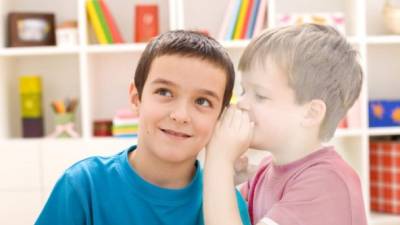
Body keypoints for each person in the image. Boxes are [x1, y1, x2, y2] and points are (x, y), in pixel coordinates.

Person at [35, 30, 251, 225]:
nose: (180, 115)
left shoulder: (226, 207)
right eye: (164, 92)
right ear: (136, 98)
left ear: (221, 116)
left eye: (203, 101)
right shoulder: (83, 186)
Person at [204, 24, 368, 225]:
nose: (242, 103)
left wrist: (219, 160)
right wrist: (228, 178)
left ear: (310, 113)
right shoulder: (265, 170)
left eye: (260, 96)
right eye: (244, 91)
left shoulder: (327, 183)